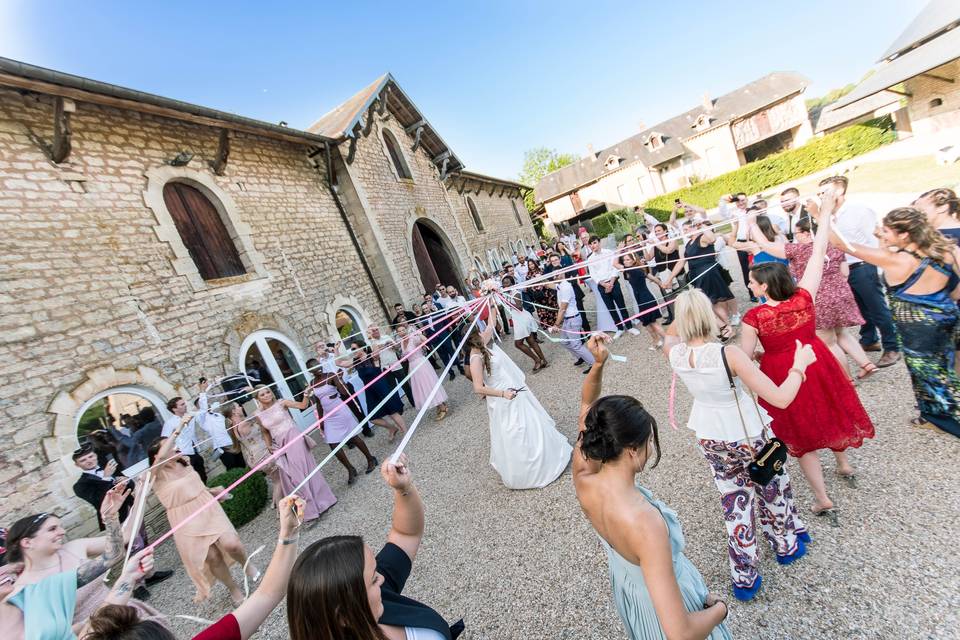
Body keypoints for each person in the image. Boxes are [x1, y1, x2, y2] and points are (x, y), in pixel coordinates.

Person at [573, 335, 732, 639]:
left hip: (633, 594)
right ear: (632, 449)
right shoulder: (644, 522)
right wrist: (720, 610)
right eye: (648, 442)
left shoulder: (584, 478)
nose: (650, 448)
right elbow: (680, 633)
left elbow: (585, 405)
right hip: (668, 606)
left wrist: (598, 364)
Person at [667, 289, 814, 600]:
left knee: (735, 501)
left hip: (709, 434)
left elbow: (671, 335)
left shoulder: (675, 353)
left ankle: (744, 574)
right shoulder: (729, 354)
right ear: (708, 315)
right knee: (771, 485)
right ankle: (785, 544)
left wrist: (690, 322)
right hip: (745, 433)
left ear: (679, 321)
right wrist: (799, 365)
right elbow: (781, 397)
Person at [740, 188, 874, 520]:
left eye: (753, 283)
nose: (750, 286)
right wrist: (824, 213)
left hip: (782, 370)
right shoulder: (804, 297)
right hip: (814, 357)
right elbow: (818, 253)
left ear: (764, 287)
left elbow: (742, 359)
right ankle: (843, 463)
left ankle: (822, 497)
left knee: (801, 429)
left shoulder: (754, 317)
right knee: (830, 407)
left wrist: (755, 357)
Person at [286, 455, 465, 639]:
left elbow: (405, 535)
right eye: (373, 580)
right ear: (344, 616)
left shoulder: (372, 601)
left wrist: (403, 489)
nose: (381, 578)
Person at [829, 207, 960, 437]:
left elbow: (839, 244)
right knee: (947, 370)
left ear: (905, 235)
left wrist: (821, 213)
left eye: (887, 230)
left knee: (930, 378)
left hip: (919, 330)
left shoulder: (895, 259)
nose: (881, 232)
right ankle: (932, 416)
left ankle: (944, 420)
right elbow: (956, 292)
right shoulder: (945, 251)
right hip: (947, 318)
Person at [2, 485, 164, 638]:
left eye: (59, 526)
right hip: (97, 634)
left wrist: (139, 495)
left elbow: (121, 543)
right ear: (27, 542)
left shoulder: (73, 547)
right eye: (52, 529)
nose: (62, 532)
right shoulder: (25, 591)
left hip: (126, 612)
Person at [749, 217, 876, 380]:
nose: (796, 237)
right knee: (842, 332)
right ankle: (866, 364)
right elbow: (845, 272)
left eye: (797, 234)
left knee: (829, 342)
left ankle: (847, 379)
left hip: (818, 297)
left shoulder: (798, 250)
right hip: (841, 294)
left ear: (808, 234)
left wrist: (752, 223)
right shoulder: (835, 246)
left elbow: (766, 245)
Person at [148, 423, 259, 605]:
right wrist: (179, 427)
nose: (175, 447)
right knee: (212, 557)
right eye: (170, 445)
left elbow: (195, 486)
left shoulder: (185, 462)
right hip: (185, 520)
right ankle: (233, 589)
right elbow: (161, 457)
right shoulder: (155, 475)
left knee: (232, 544)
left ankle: (248, 566)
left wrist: (212, 491)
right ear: (157, 456)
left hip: (206, 507)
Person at [466, 310, 571, 489]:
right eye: (478, 332)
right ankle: (528, 470)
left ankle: (546, 456)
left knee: (529, 420)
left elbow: (491, 324)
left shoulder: (481, 343)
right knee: (515, 429)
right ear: (472, 339)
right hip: (502, 395)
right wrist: (503, 394)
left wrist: (491, 295)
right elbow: (478, 388)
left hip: (513, 388)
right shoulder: (475, 357)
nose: (482, 333)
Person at [822, 176, 901, 367]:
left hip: (863, 266)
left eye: (824, 192)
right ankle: (869, 339)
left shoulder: (858, 211)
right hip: (845, 270)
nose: (822, 197)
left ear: (839, 192)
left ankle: (892, 347)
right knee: (860, 308)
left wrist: (877, 267)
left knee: (877, 307)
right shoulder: (830, 215)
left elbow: (873, 241)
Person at [253, 386, 338, 521]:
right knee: (289, 477)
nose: (267, 395)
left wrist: (305, 393)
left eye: (268, 391)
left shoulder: (281, 403)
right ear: (257, 399)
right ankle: (309, 511)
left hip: (293, 437)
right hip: (279, 444)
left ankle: (321, 503)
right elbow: (265, 431)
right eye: (262, 394)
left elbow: (303, 405)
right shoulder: (258, 414)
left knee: (300, 473)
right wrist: (269, 445)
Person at [305, 362, 380, 485]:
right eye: (313, 367)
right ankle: (350, 469)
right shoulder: (312, 383)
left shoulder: (330, 375)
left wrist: (338, 380)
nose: (317, 367)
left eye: (317, 364)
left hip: (340, 410)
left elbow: (344, 393)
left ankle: (371, 459)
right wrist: (321, 421)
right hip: (328, 416)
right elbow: (318, 403)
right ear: (309, 371)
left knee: (353, 437)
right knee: (333, 444)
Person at [665, 219, 736, 341]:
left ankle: (725, 328)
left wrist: (702, 225)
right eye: (684, 230)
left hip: (708, 274)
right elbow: (681, 262)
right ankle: (727, 328)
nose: (685, 231)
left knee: (709, 304)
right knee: (711, 304)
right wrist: (669, 279)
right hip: (698, 277)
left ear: (694, 228)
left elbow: (712, 238)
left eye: (687, 229)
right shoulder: (688, 244)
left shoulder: (702, 238)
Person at [586, 236, 641, 337]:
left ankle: (629, 326)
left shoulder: (609, 253)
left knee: (621, 306)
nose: (593, 245)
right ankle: (619, 328)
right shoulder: (590, 259)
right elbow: (593, 275)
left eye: (594, 243)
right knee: (611, 308)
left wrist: (611, 282)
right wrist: (603, 284)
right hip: (602, 286)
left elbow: (614, 268)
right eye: (591, 244)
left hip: (613, 283)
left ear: (599, 242)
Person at [398, 322, 449, 420]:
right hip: (412, 366)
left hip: (421, 364)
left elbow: (425, 340)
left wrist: (419, 333)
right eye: (399, 331)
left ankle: (442, 407)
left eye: (403, 330)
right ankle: (439, 405)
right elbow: (406, 355)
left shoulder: (413, 338)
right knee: (423, 388)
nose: (401, 332)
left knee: (428, 385)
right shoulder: (401, 342)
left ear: (406, 330)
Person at [501, 275, 549, 371]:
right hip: (519, 319)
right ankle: (543, 360)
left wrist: (506, 301)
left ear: (512, 283)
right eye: (504, 283)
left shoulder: (515, 293)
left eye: (507, 282)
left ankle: (537, 360)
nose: (505, 284)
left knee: (518, 343)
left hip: (522, 319)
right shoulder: (508, 293)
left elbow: (519, 307)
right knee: (531, 341)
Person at [620, 251, 665, 348]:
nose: (625, 262)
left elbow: (615, 264)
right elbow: (651, 277)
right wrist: (662, 284)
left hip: (645, 299)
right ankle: (657, 341)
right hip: (643, 299)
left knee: (653, 323)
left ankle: (669, 341)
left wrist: (618, 252)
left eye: (627, 260)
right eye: (624, 260)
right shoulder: (637, 269)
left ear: (633, 261)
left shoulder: (632, 270)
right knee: (647, 324)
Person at [161, 396, 208, 483]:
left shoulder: (190, 415)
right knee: (194, 482)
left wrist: (203, 393)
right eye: (182, 404)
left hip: (195, 452)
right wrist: (176, 452)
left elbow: (203, 412)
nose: (185, 405)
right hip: (184, 455)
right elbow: (164, 441)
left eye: (184, 403)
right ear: (174, 409)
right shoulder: (170, 423)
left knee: (203, 477)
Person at [645, 223, 683, 325]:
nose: (657, 233)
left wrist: (655, 243)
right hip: (664, 277)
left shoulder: (672, 240)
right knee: (670, 300)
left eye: (659, 231)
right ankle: (677, 321)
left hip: (677, 275)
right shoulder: (656, 245)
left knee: (682, 298)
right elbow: (648, 258)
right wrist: (644, 246)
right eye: (655, 231)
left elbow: (668, 250)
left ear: (665, 231)